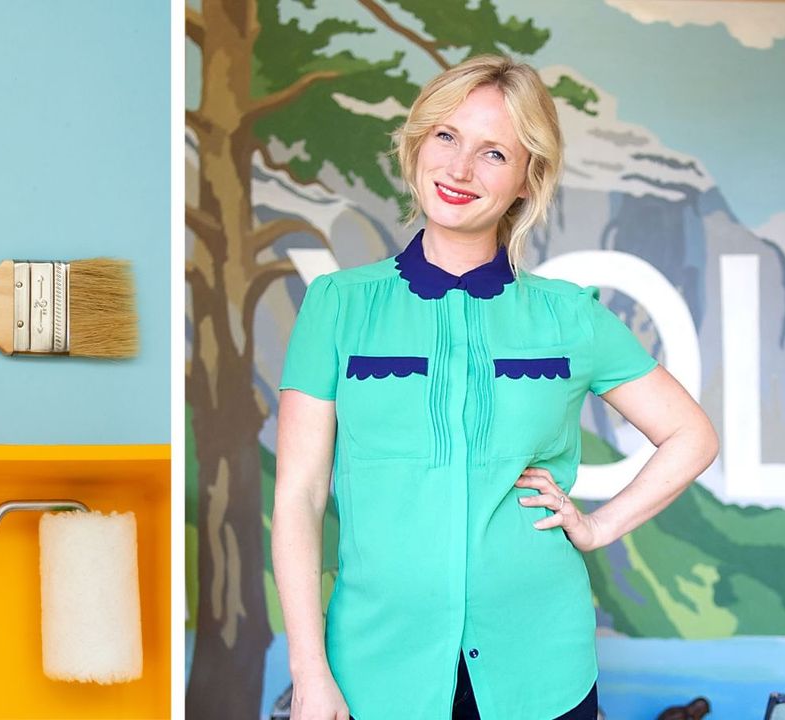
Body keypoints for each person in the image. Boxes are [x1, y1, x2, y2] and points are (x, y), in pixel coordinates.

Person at [272, 55, 719, 719]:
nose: (458, 170)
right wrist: (310, 672)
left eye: (493, 153)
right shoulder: (336, 306)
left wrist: (596, 528)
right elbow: (300, 496)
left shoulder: (570, 316)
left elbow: (692, 435)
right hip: (374, 673)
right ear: (418, 142)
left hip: (543, 671)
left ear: (524, 179)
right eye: (447, 137)